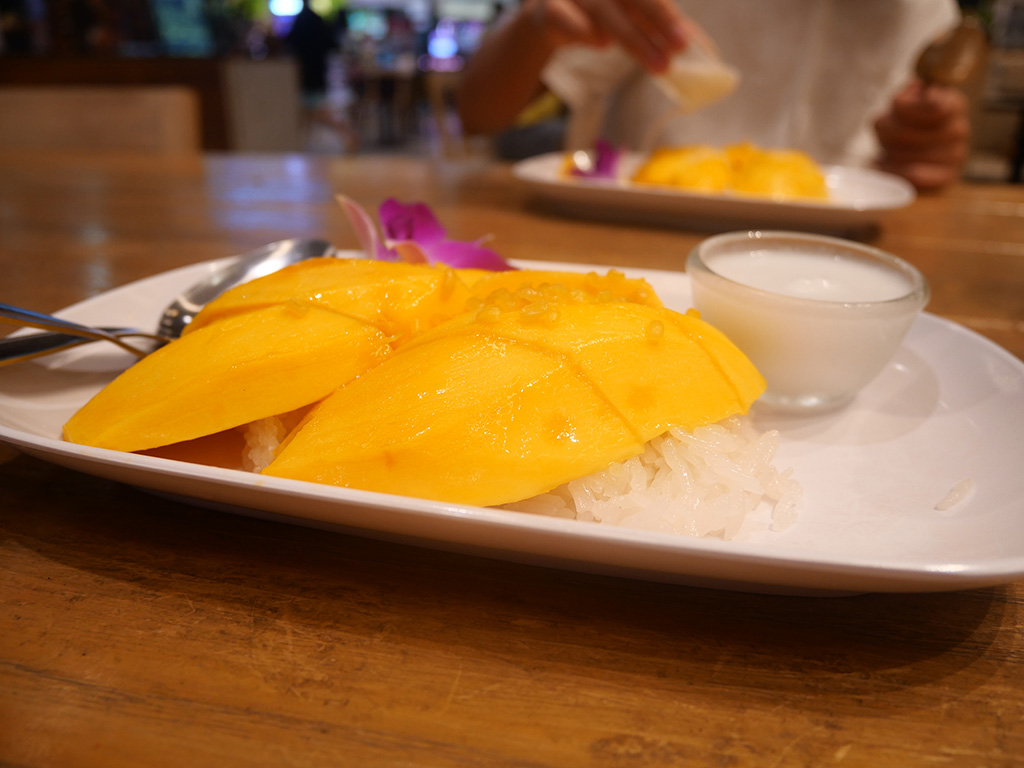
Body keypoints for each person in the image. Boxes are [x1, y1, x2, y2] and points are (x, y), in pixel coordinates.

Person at [457, 0, 971, 190]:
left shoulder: (925, 11)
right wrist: (536, 20)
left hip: (845, 259)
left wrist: (929, 146)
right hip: (635, 239)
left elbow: (920, 155)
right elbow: (479, 113)